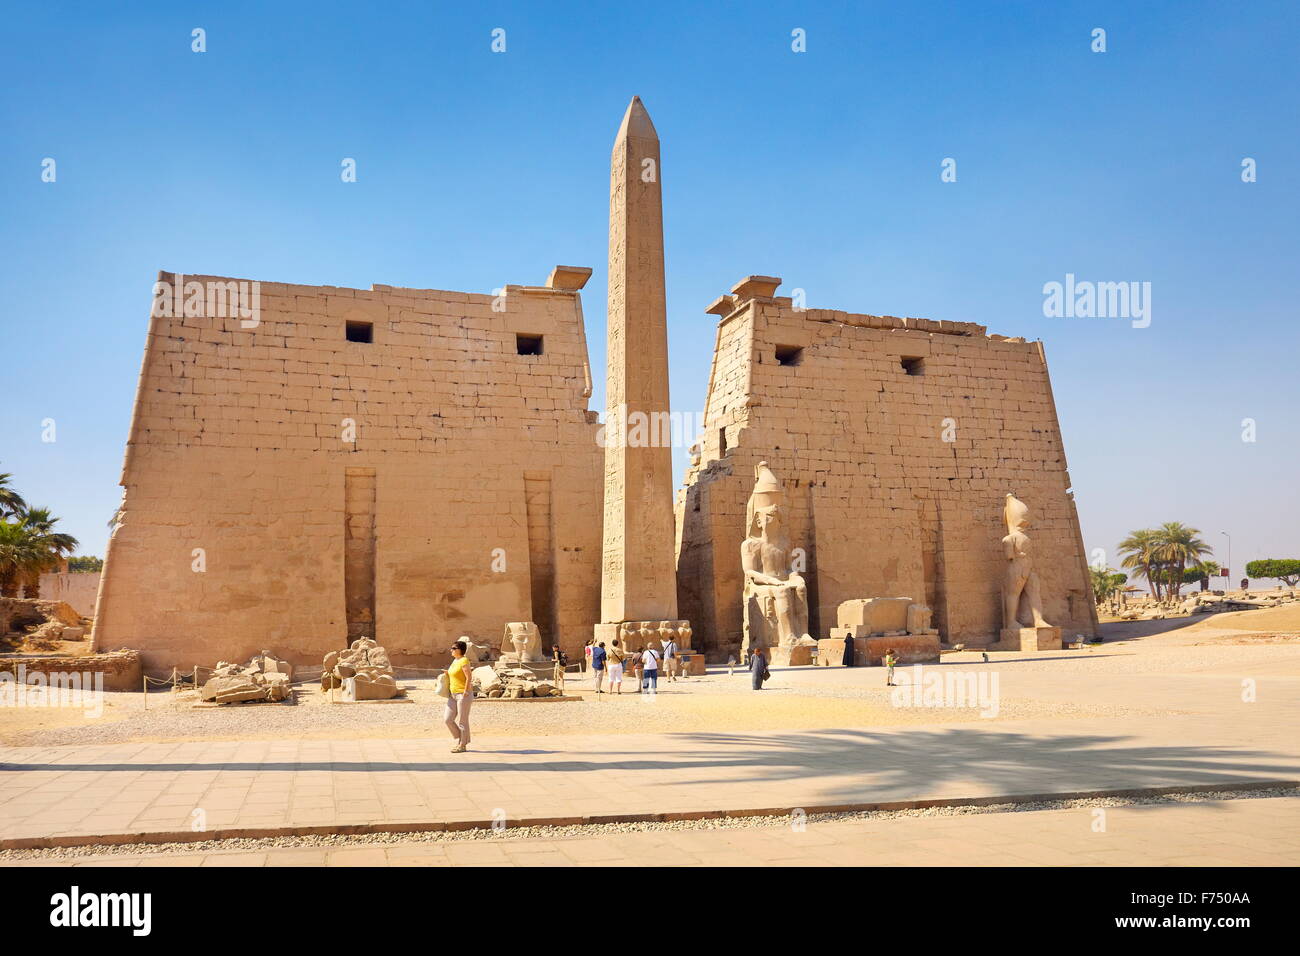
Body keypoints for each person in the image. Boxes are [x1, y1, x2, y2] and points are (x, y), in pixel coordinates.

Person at [444, 640, 473, 753]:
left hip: (463, 694)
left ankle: (462, 744)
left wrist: (466, 691)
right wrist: (447, 673)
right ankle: (462, 738)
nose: (451, 650)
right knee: (448, 719)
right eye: (451, 648)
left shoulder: (464, 660)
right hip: (452, 694)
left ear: (460, 650)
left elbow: (469, 677)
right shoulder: (455, 660)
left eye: (454, 648)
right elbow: (456, 674)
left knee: (462, 721)